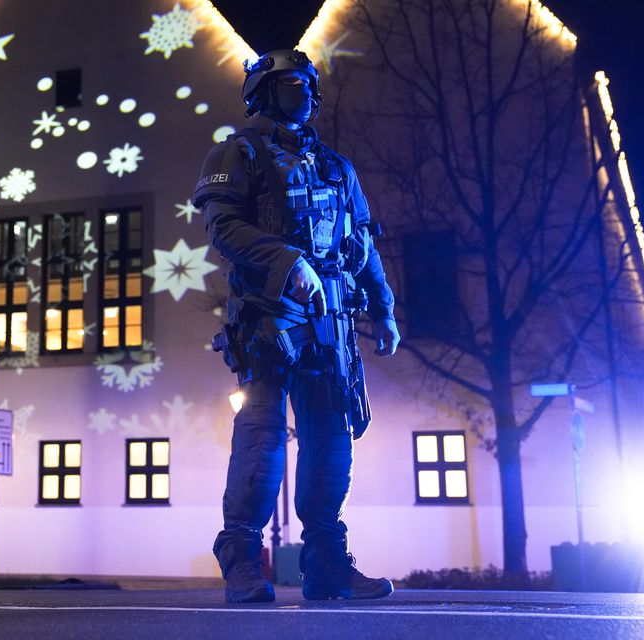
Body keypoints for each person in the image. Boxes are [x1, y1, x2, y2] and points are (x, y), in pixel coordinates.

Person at [193, 49, 400, 603]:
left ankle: (327, 561)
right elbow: (223, 227)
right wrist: (287, 263)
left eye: (309, 83)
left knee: (330, 440)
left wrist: (382, 306)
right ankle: (240, 555)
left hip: (331, 320)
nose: (304, 92)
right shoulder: (238, 153)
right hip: (269, 317)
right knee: (262, 438)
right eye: (290, 83)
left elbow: (362, 241)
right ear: (263, 90)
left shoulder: (336, 166)